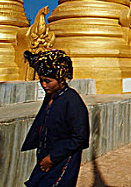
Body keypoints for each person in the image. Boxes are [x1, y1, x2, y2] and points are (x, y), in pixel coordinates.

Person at [21, 50, 90, 187]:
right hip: (46, 157)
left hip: (63, 160)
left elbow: (80, 137)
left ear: (61, 79)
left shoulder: (72, 101)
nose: (44, 85)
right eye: (41, 81)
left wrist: (52, 158)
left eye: (48, 81)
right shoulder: (51, 97)